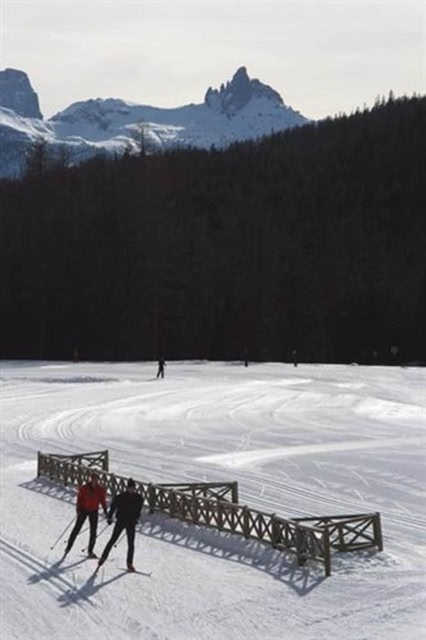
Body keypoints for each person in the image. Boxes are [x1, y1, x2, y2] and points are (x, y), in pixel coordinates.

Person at [98, 478, 143, 572]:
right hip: (121, 521)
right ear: (127, 488)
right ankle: (103, 557)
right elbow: (113, 507)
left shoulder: (138, 498)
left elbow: (138, 510)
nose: (132, 489)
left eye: (133, 488)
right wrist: (110, 517)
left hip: (131, 522)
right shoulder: (120, 497)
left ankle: (129, 563)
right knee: (113, 539)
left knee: (131, 544)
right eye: (130, 488)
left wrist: (136, 518)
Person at [64, 472, 107, 559]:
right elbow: (79, 499)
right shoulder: (84, 488)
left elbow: (102, 500)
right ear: (91, 479)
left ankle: (90, 551)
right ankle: (68, 547)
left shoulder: (100, 490)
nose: (95, 481)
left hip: (94, 511)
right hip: (83, 510)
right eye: (94, 480)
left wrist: (106, 511)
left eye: (96, 480)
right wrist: (78, 509)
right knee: (77, 528)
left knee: (93, 531)